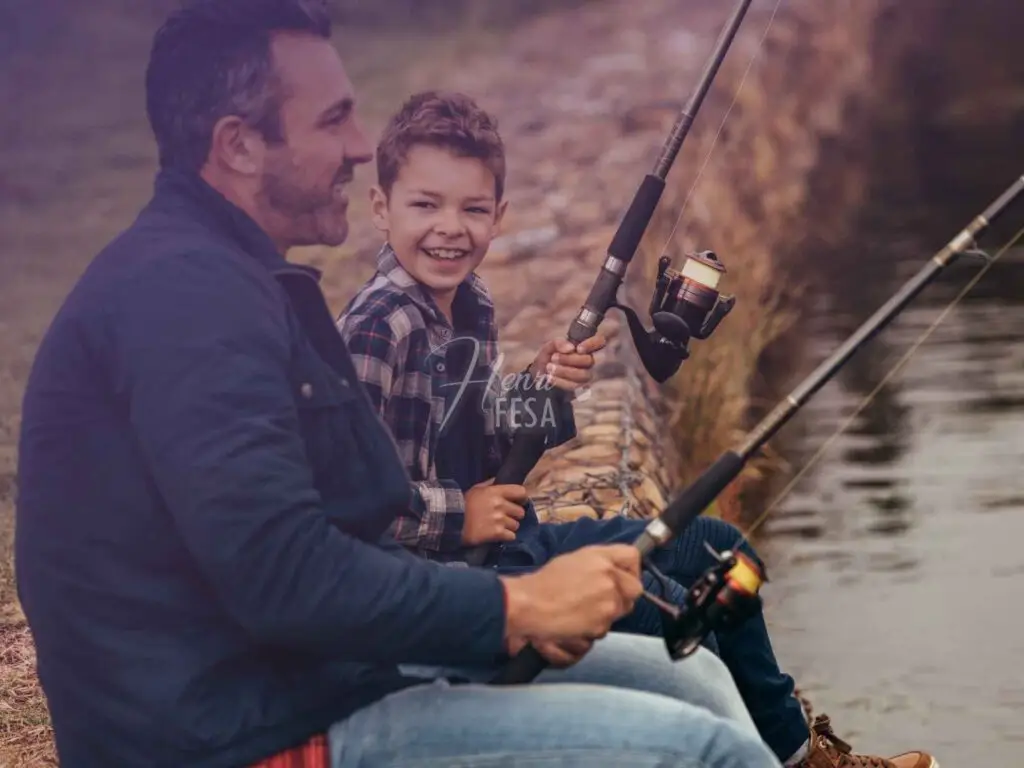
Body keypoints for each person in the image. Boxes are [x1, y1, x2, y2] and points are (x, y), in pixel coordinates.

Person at [13, 2, 785, 767]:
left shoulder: (241, 280)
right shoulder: (185, 299)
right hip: (233, 733)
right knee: (706, 752)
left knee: (700, 681)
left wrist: (537, 404)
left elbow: (350, 515)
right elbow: (285, 572)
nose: (358, 146)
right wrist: (518, 603)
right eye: (333, 120)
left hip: (318, 673)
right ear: (239, 145)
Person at [337, 89, 939, 768]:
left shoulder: (467, 300)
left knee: (718, 550)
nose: (450, 228)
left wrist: (541, 389)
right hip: (449, 585)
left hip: (512, 544)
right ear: (381, 208)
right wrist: (459, 516)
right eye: (426, 205)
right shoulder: (377, 328)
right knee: (673, 614)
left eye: (472, 209)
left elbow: (478, 441)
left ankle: (804, 757)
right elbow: (353, 503)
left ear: (499, 217)